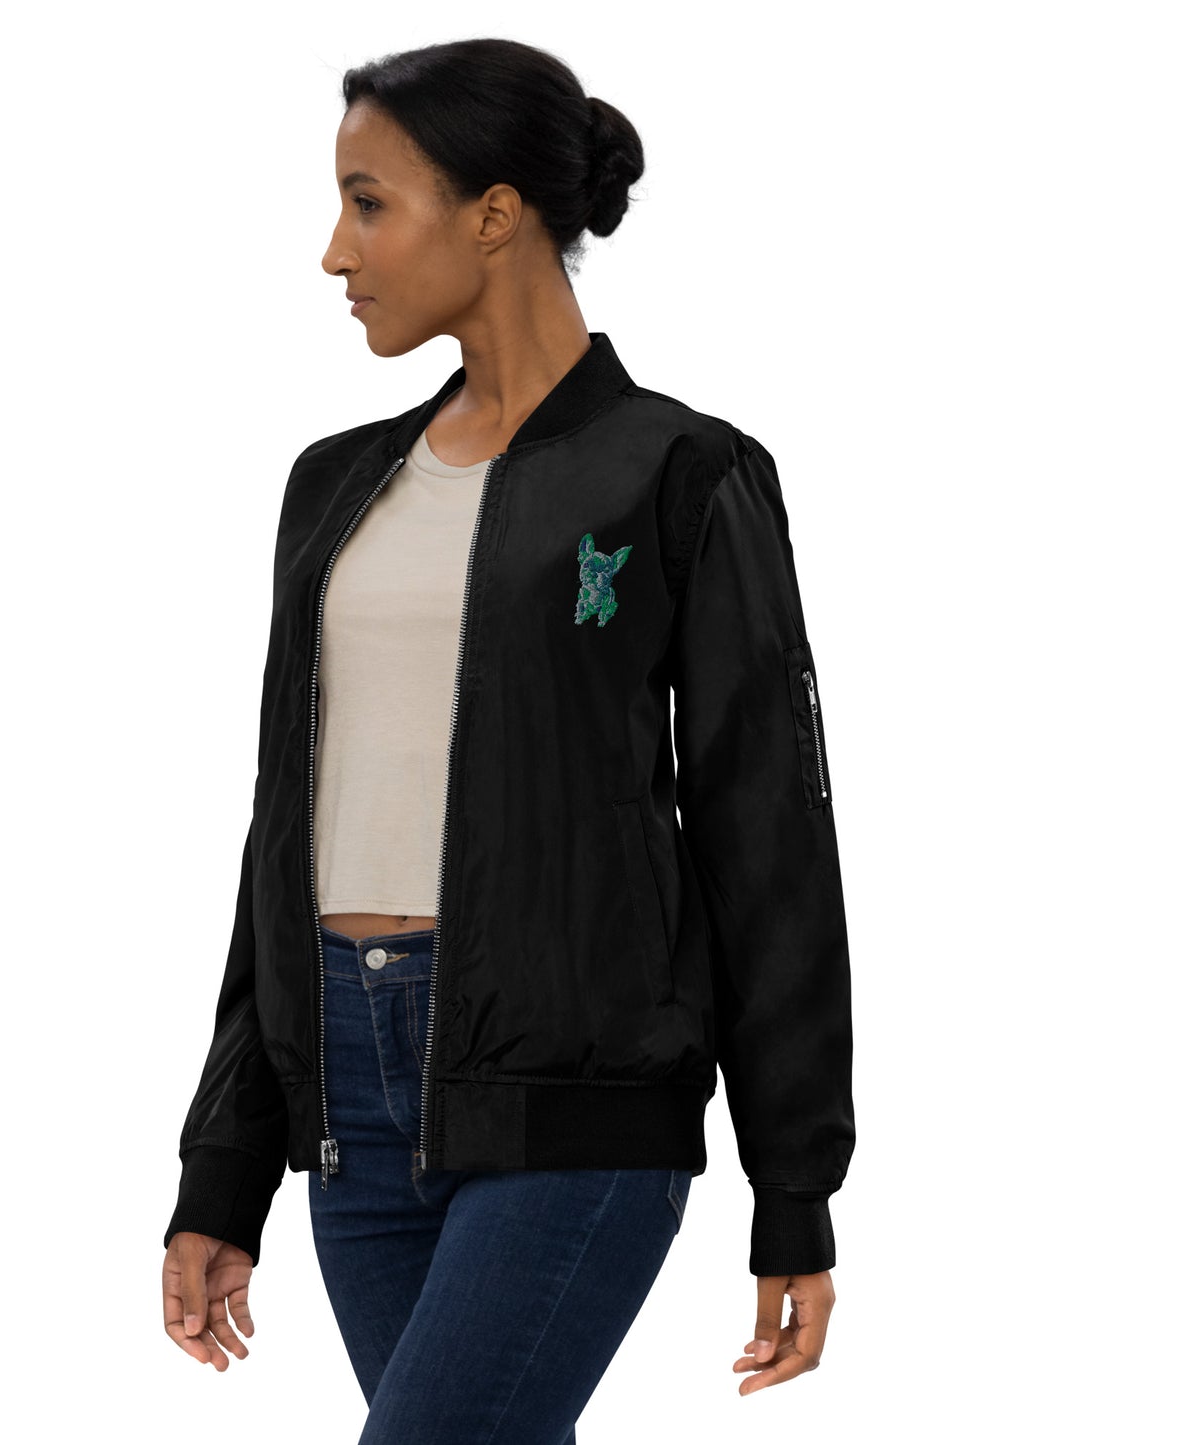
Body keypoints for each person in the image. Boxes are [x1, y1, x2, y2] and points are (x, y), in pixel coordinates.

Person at [160, 36, 855, 1439]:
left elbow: (766, 840)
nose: (334, 253)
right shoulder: (334, 489)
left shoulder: (678, 472)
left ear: (492, 215)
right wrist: (224, 1164)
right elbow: (281, 838)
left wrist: (793, 1184)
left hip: (575, 1097)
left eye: (368, 203)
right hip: (350, 1107)